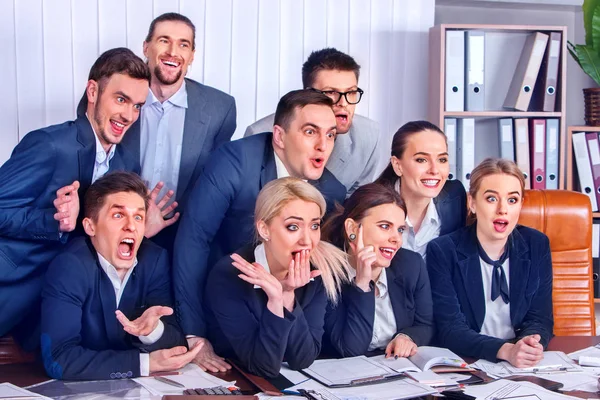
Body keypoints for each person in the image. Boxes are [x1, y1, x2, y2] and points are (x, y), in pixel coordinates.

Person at [173, 89, 346, 371]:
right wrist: (195, 332)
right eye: (311, 132)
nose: (323, 146)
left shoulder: (331, 189)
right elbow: (193, 241)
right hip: (225, 295)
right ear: (279, 136)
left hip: (279, 308)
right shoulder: (234, 162)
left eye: (330, 135)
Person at [0, 48, 149, 348]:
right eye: (121, 99)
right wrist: (53, 221)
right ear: (93, 91)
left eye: (137, 106)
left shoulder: (126, 163)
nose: (129, 115)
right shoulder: (51, 145)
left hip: (58, 309)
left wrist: (143, 223)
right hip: (10, 288)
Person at [78, 13, 237, 254]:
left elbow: (215, 185)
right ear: (146, 47)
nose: (173, 51)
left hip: (184, 237)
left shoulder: (220, 108)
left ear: (192, 55)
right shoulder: (110, 100)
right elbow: (92, 169)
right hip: (115, 230)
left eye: (183, 44)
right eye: (164, 40)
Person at [41, 171, 200, 380]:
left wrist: (152, 331)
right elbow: (59, 359)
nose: (131, 226)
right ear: (90, 226)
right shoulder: (70, 267)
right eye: (118, 215)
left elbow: (176, 344)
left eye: (138, 217)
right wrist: (146, 364)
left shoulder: (154, 260)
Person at [204, 177, 349, 378]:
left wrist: (287, 296)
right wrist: (275, 301)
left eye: (314, 226)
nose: (307, 241)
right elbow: (263, 367)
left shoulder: (318, 270)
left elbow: (302, 360)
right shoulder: (228, 275)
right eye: (293, 227)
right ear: (264, 229)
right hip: (234, 381)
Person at [427, 158, 553, 367]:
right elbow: (450, 329)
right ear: (472, 203)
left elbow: (541, 318)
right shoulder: (443, 251)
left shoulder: (536, 244)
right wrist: (506, 351)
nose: (503, 209)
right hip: (468, 362)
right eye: (491, 199)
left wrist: (529, 344)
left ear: (521, 204)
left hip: (519, 363)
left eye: (512, 200)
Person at [244, 48, 383, 196]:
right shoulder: (260, 133)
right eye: (331, 92)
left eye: (351, 92)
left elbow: (356, 203)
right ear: (307, 93)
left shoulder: (369, 136)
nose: (343, 103)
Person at [321, 183, 433, 358]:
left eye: (400, 229)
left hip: (396, 369)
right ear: (352, 229)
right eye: (384, 226)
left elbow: (426, 324)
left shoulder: (411, 265)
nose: (396, 239)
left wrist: (407, 336)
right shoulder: (325, 273)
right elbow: (351, 349)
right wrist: (362, 284)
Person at [376, 120, 467, 260]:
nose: (434, 170)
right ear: (397, 165)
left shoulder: (454, 196)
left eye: (442, 160)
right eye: (421, 160)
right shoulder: (371, 207)